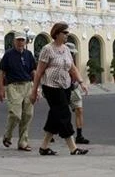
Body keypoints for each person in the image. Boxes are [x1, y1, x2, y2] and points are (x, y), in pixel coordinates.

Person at [30, 22, 89, 156]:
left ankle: (44, 147)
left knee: (55, 115)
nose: (67, 35)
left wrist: (81, 82)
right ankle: (73, 148)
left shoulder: (66, 49)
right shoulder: (47, 49)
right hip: (51, 87)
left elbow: (72, 68)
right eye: (65, 33)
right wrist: (34, 90)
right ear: (57, 34)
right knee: (64, 114)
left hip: (65, 86)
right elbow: (39, 72)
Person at [0, 31, 36, 151]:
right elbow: (2, 72)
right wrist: (0, 89)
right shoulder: (8, 55)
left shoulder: (29, 54)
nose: (20, 42)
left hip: (28, 85)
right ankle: (8, 135)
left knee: (28, 114)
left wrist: (36, 88)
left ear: (25, 42)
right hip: (13, 86)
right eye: (18, 40)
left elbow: (33, 72)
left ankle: (23, 142)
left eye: (22, 40)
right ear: (14, 41)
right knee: (15, 114)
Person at [66, 42, 90, 144]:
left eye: (73, 53)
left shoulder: (73, 61)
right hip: (62, 89)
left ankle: (79, 136)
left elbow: (75, 72)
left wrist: (81, 83)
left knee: (79, 110)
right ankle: (50, 134)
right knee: (59, 113)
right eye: (70, 53)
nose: (72, 55)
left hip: (74, 88)